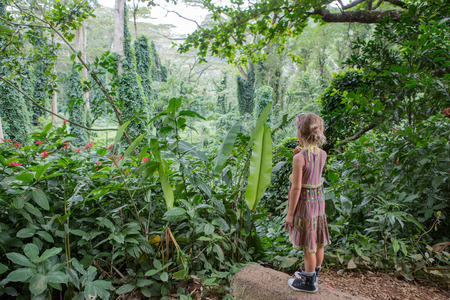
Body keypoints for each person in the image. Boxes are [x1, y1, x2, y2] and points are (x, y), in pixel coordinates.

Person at [285, 113, 331, 293]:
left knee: (309, 245)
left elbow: (296, 188)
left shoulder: (299, 158)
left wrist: (290, 214)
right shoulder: (323, 154)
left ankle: (308, 282)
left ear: (300, 132)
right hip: (318, 202)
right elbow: (312, 171)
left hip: (305, 204)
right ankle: (314, 274)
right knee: (318, 241)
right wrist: (298, 154)